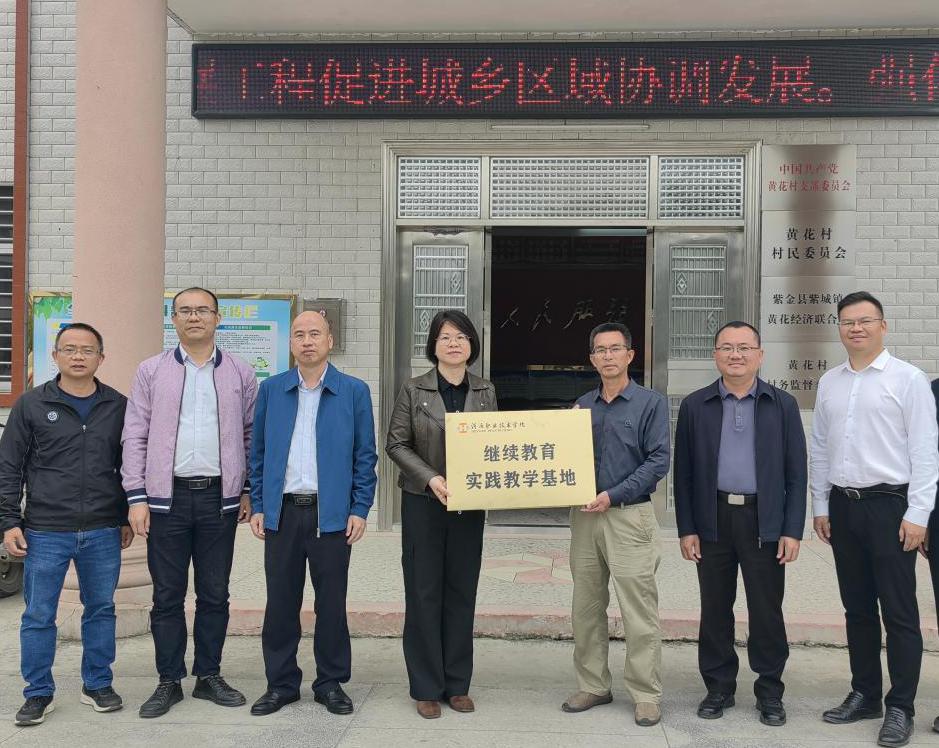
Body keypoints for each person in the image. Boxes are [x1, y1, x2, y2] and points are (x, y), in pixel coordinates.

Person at [122, 287, 258, 718]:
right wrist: (137, 496)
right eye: (185, 311)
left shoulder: (239, 371)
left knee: (215, 593)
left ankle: (208, 675)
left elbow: (251, 434)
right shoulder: (151, 370)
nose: (194, 317)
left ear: (218, 318)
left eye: (202, 310)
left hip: (220, 499)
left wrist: (247, 489)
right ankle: (168, 680)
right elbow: (135, 434)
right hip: (167, 500)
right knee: (167, 594)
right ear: (173, 319)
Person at [811, 291, 938, 748]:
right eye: (848, 321)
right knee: (858, 608)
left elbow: (925, 451)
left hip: (891, 507)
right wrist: (821, 505)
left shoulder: (908, 379)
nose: (856, 328)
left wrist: (918, 513)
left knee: (899, 612)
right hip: (844, 507)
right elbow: (820, 447)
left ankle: (901, 705)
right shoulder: (830, 382)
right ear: (839, 328)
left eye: (865, 320)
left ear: (883, 326)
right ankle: (865, 694)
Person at [674, 321, 806, 727]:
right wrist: (687, 528)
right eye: (727, 347)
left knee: (766, 609)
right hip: (712, 519)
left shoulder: (782, 405)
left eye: (745, 347)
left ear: (760, 355)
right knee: (715, 607)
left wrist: (791, 529)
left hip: (764, 521)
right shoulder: (695, 405)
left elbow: (796, 473)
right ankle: (719, 687)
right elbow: (684, 474)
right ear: (715, 355)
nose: (736, 355)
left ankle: (770, 691)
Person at [0, 323, 133, 726]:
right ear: (55, 355)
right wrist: (9, 521)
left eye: (87, 350)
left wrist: (124, 515)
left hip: (102, 529)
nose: (78, 356)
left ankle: (98, 684)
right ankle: (38, 692)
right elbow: (9, 466)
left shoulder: (118, 405)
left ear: (101, 358)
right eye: (70, 349)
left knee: (101, 609)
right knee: (39, 614)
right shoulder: (31, 404)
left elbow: (128, 467)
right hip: (45, 529)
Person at [248, 310, 377, 717]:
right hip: (283, 512)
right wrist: (259, 504)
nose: (307, 341)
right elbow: (258, 451)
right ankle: (281, 684)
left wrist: (360, 508)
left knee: (331, 604)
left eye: (315, 334)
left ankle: (330, 683)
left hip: (331, 514)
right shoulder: (272, 390)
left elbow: (365, 456)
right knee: (280, 604)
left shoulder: (353, 391)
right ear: (290, 343)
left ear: (329, 341)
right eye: (299, 334)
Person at [385, 309, 498, 720]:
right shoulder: (413, 389)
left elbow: (497, 443)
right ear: (433, 345)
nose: (454, 343)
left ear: (472, 345)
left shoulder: (485, 391)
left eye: (461, 337)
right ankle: (426, 687)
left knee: (461, 591)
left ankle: (457, 684)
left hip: (469, 505)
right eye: (445, 337)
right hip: (424, 502)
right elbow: (396, 443)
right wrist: (431, 478)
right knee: (423, 591)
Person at [561, 322, 670, 727]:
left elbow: (658, 461)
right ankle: (593, 684)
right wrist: (560, 431)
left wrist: (613, 494)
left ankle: (645, 693)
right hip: (585, 517)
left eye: (615, 348)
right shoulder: (581, 406)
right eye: (600, 350)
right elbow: (562, 457)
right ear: (592, 359)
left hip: (629, 516)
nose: (608, 356)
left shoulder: (650, 403)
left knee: (638, 609)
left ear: (630, 355)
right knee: (586, 606)